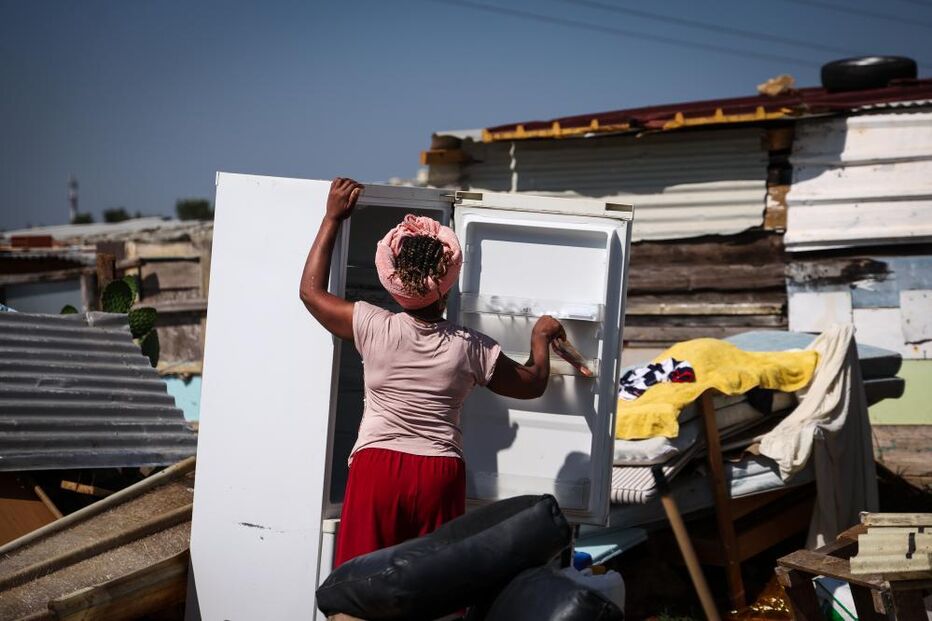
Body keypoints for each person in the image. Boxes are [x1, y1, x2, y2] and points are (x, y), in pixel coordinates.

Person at [299, 177, 566, 566]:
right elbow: (532, 384)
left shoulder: (372, 324)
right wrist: (540, 337)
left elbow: (311, 292)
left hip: (378, 468)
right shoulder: (470, 346)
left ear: (393, 280)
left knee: (362, 583)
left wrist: (333, 218)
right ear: (447, 283)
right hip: (437, 473)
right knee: (430, 586)